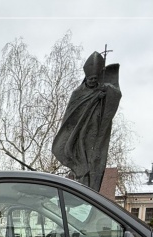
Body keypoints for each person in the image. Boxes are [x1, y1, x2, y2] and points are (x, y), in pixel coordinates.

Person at [51, 51, 122, 192]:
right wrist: (95, 98)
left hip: (96, 131)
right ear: (86, 78)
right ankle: (83, 180)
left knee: (94, 160)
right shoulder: (78, 93)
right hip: (79, 133)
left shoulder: (103, 89)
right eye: (90, 79)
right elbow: (72, 114)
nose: (92, 81)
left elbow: (116, 95)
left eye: (95, 79)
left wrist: (107, 90)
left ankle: (90, 189)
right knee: (81, 158)